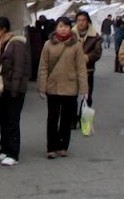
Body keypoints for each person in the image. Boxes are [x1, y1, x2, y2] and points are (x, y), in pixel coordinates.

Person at [37, 16, 88, 159]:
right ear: (56, 28)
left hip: (70, 86)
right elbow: (43, 67)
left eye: (66, 26)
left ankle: (63, 146)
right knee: (52, 118)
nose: (63, 29)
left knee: (66, 118)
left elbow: (81, 68)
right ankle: (51, 147)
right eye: (60, 26)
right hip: (53, 85)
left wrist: (84, 89)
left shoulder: (76, 45)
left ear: (70, 28)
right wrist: (42, 87)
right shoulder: (48, 44)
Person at [0, 16, 29, 167]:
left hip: (15, 87)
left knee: (12, 120)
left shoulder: (16, 44)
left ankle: (14, 153)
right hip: (3, 87)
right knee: (4, 119)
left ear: (3, 29)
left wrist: (15, 89)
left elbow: (19, 68)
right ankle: (6, 149)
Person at [72, 10, 103, 108]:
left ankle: (84, 120)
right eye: (79, 20)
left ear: (88, 21)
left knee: (87, 96)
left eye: (83, 20)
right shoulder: (70, 35)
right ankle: (72, 120)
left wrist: (87, 57)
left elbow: (97, 52)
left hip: (88, 70)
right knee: (71, 97)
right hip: (72, 70)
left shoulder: (95, 36)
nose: (81, 22)